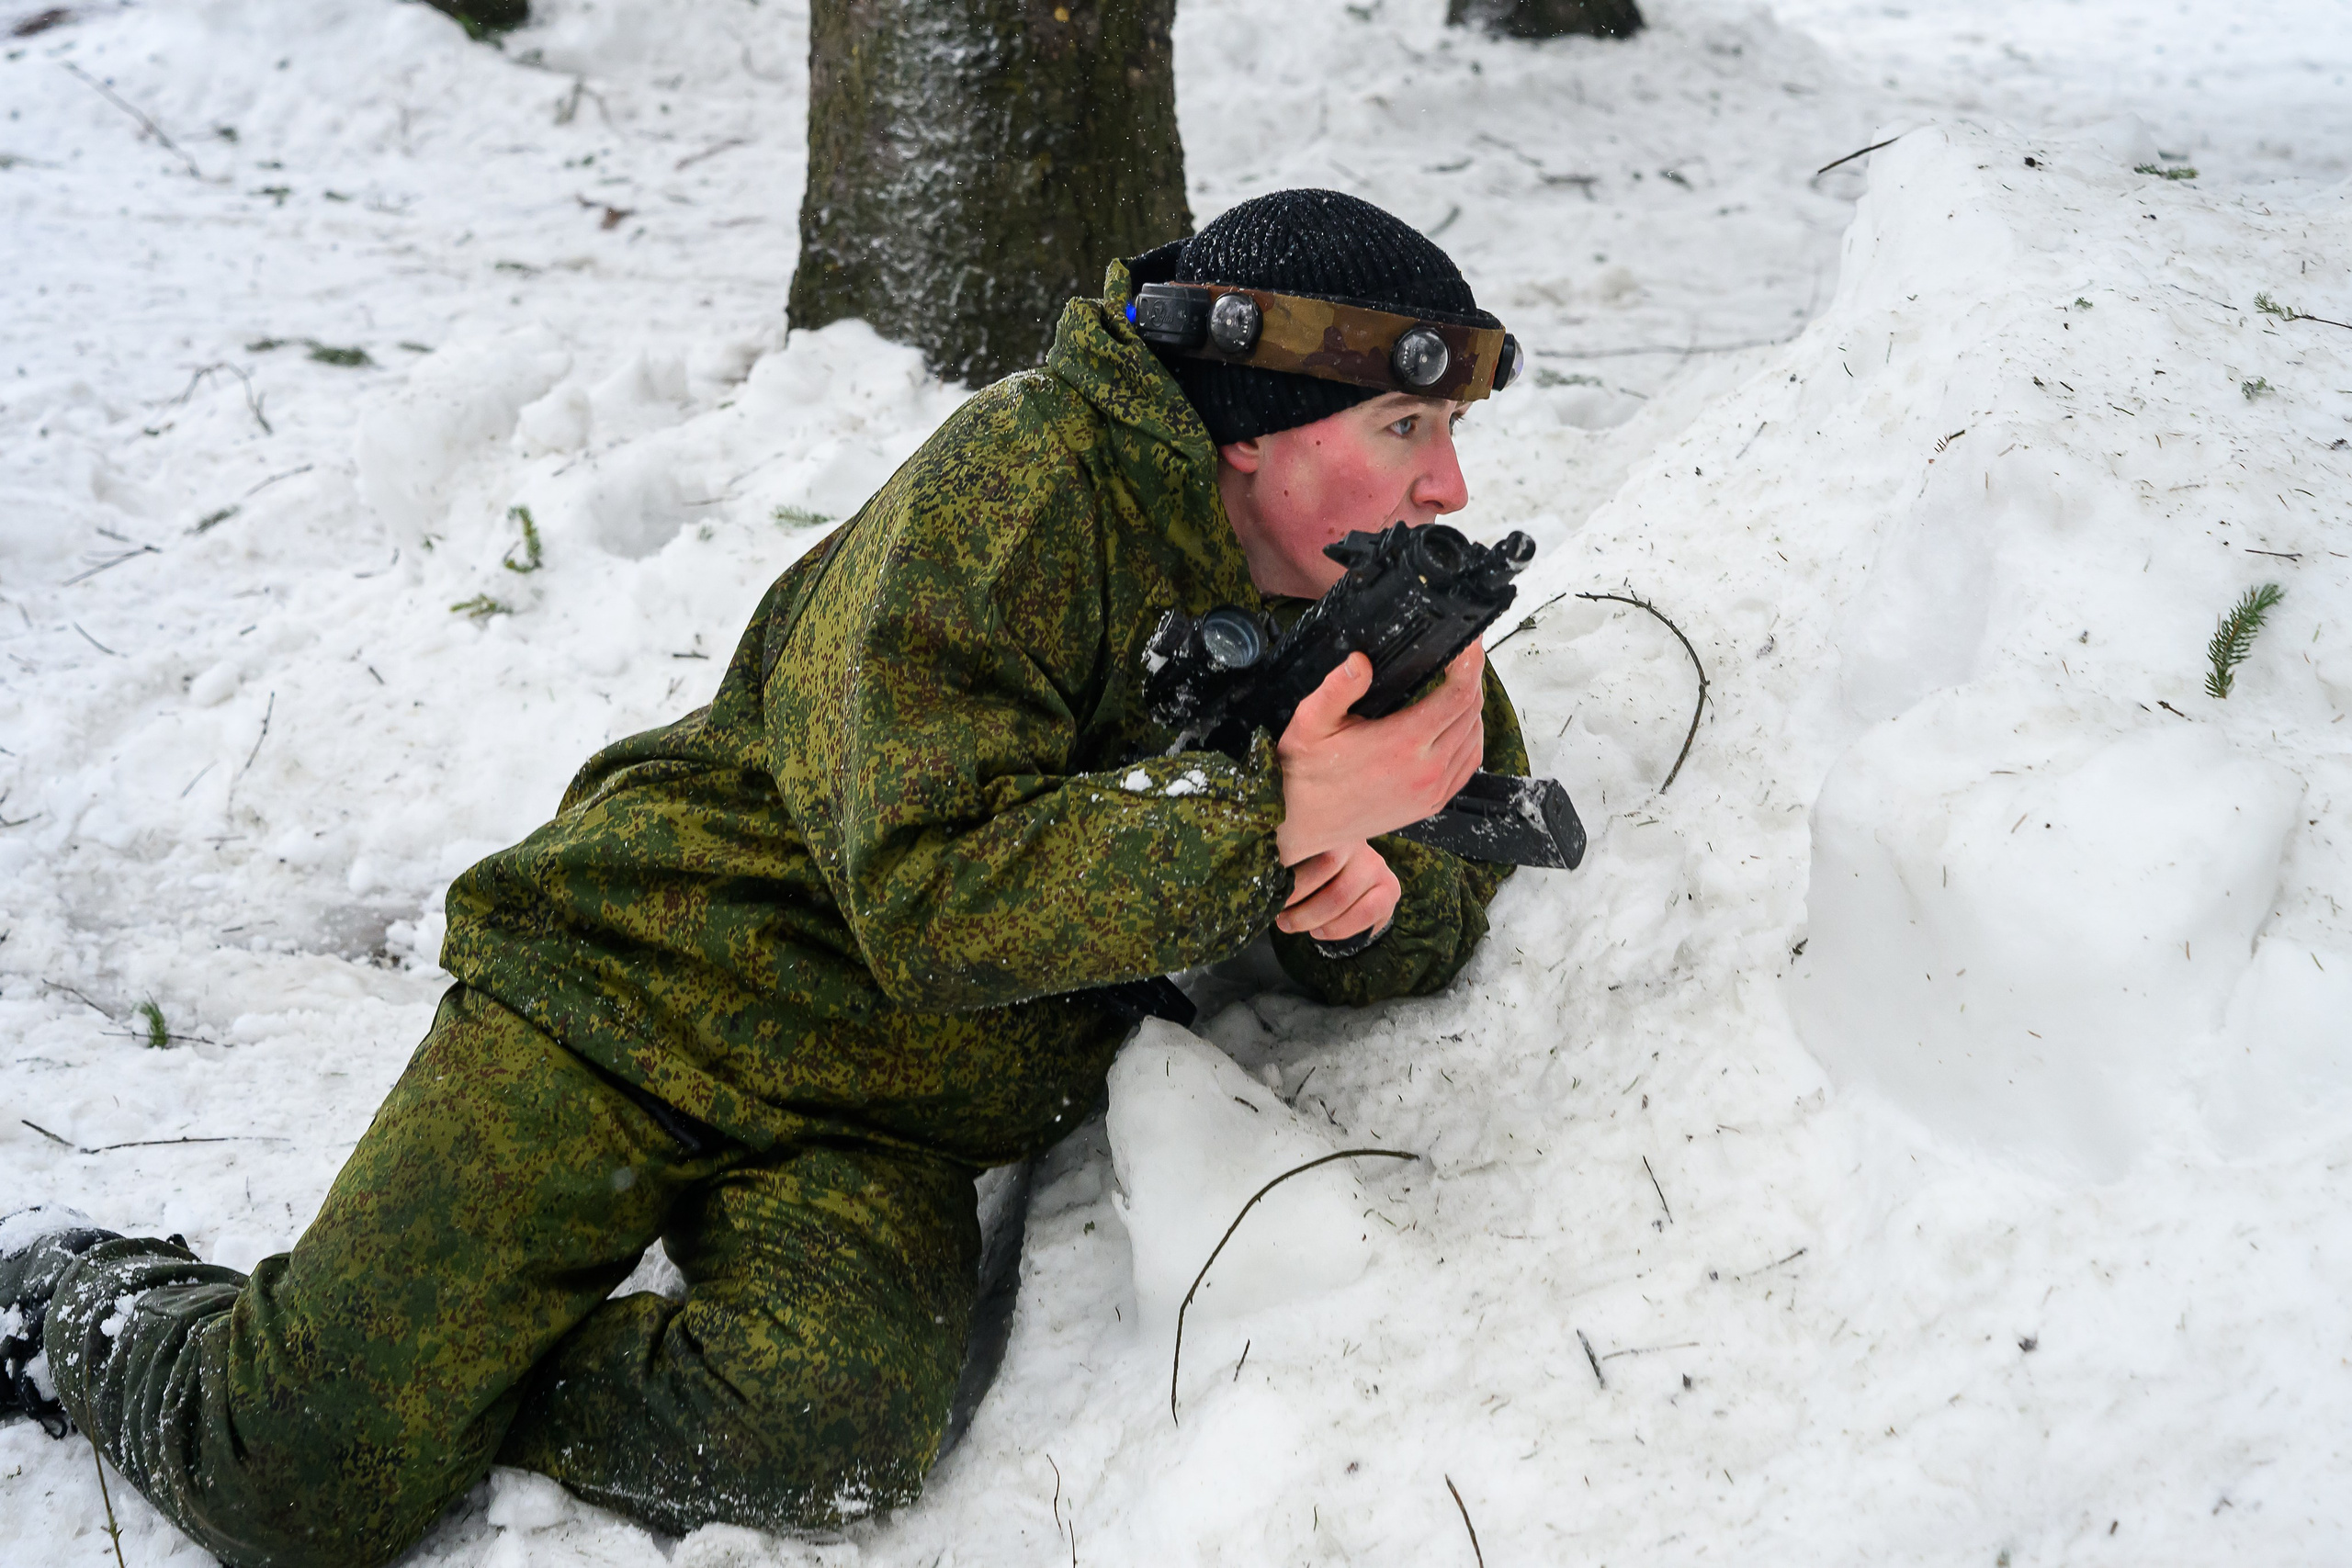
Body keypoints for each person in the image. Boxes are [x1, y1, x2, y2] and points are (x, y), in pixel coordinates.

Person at [1, 188, 1529, 1566]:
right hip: (640, 993)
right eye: (1405, 431)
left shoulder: (1371, 615)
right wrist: (1265, 815)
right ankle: (86, 1300)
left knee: (837, 1435)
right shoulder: (1023, 489)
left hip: (884, 1118)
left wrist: (1369, 898)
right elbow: (928, 895)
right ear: (1251, 424)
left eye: (1450, 436)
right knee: (299, 1482)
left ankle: (431, 1383)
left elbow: (1443, 881)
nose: (1446, 484)